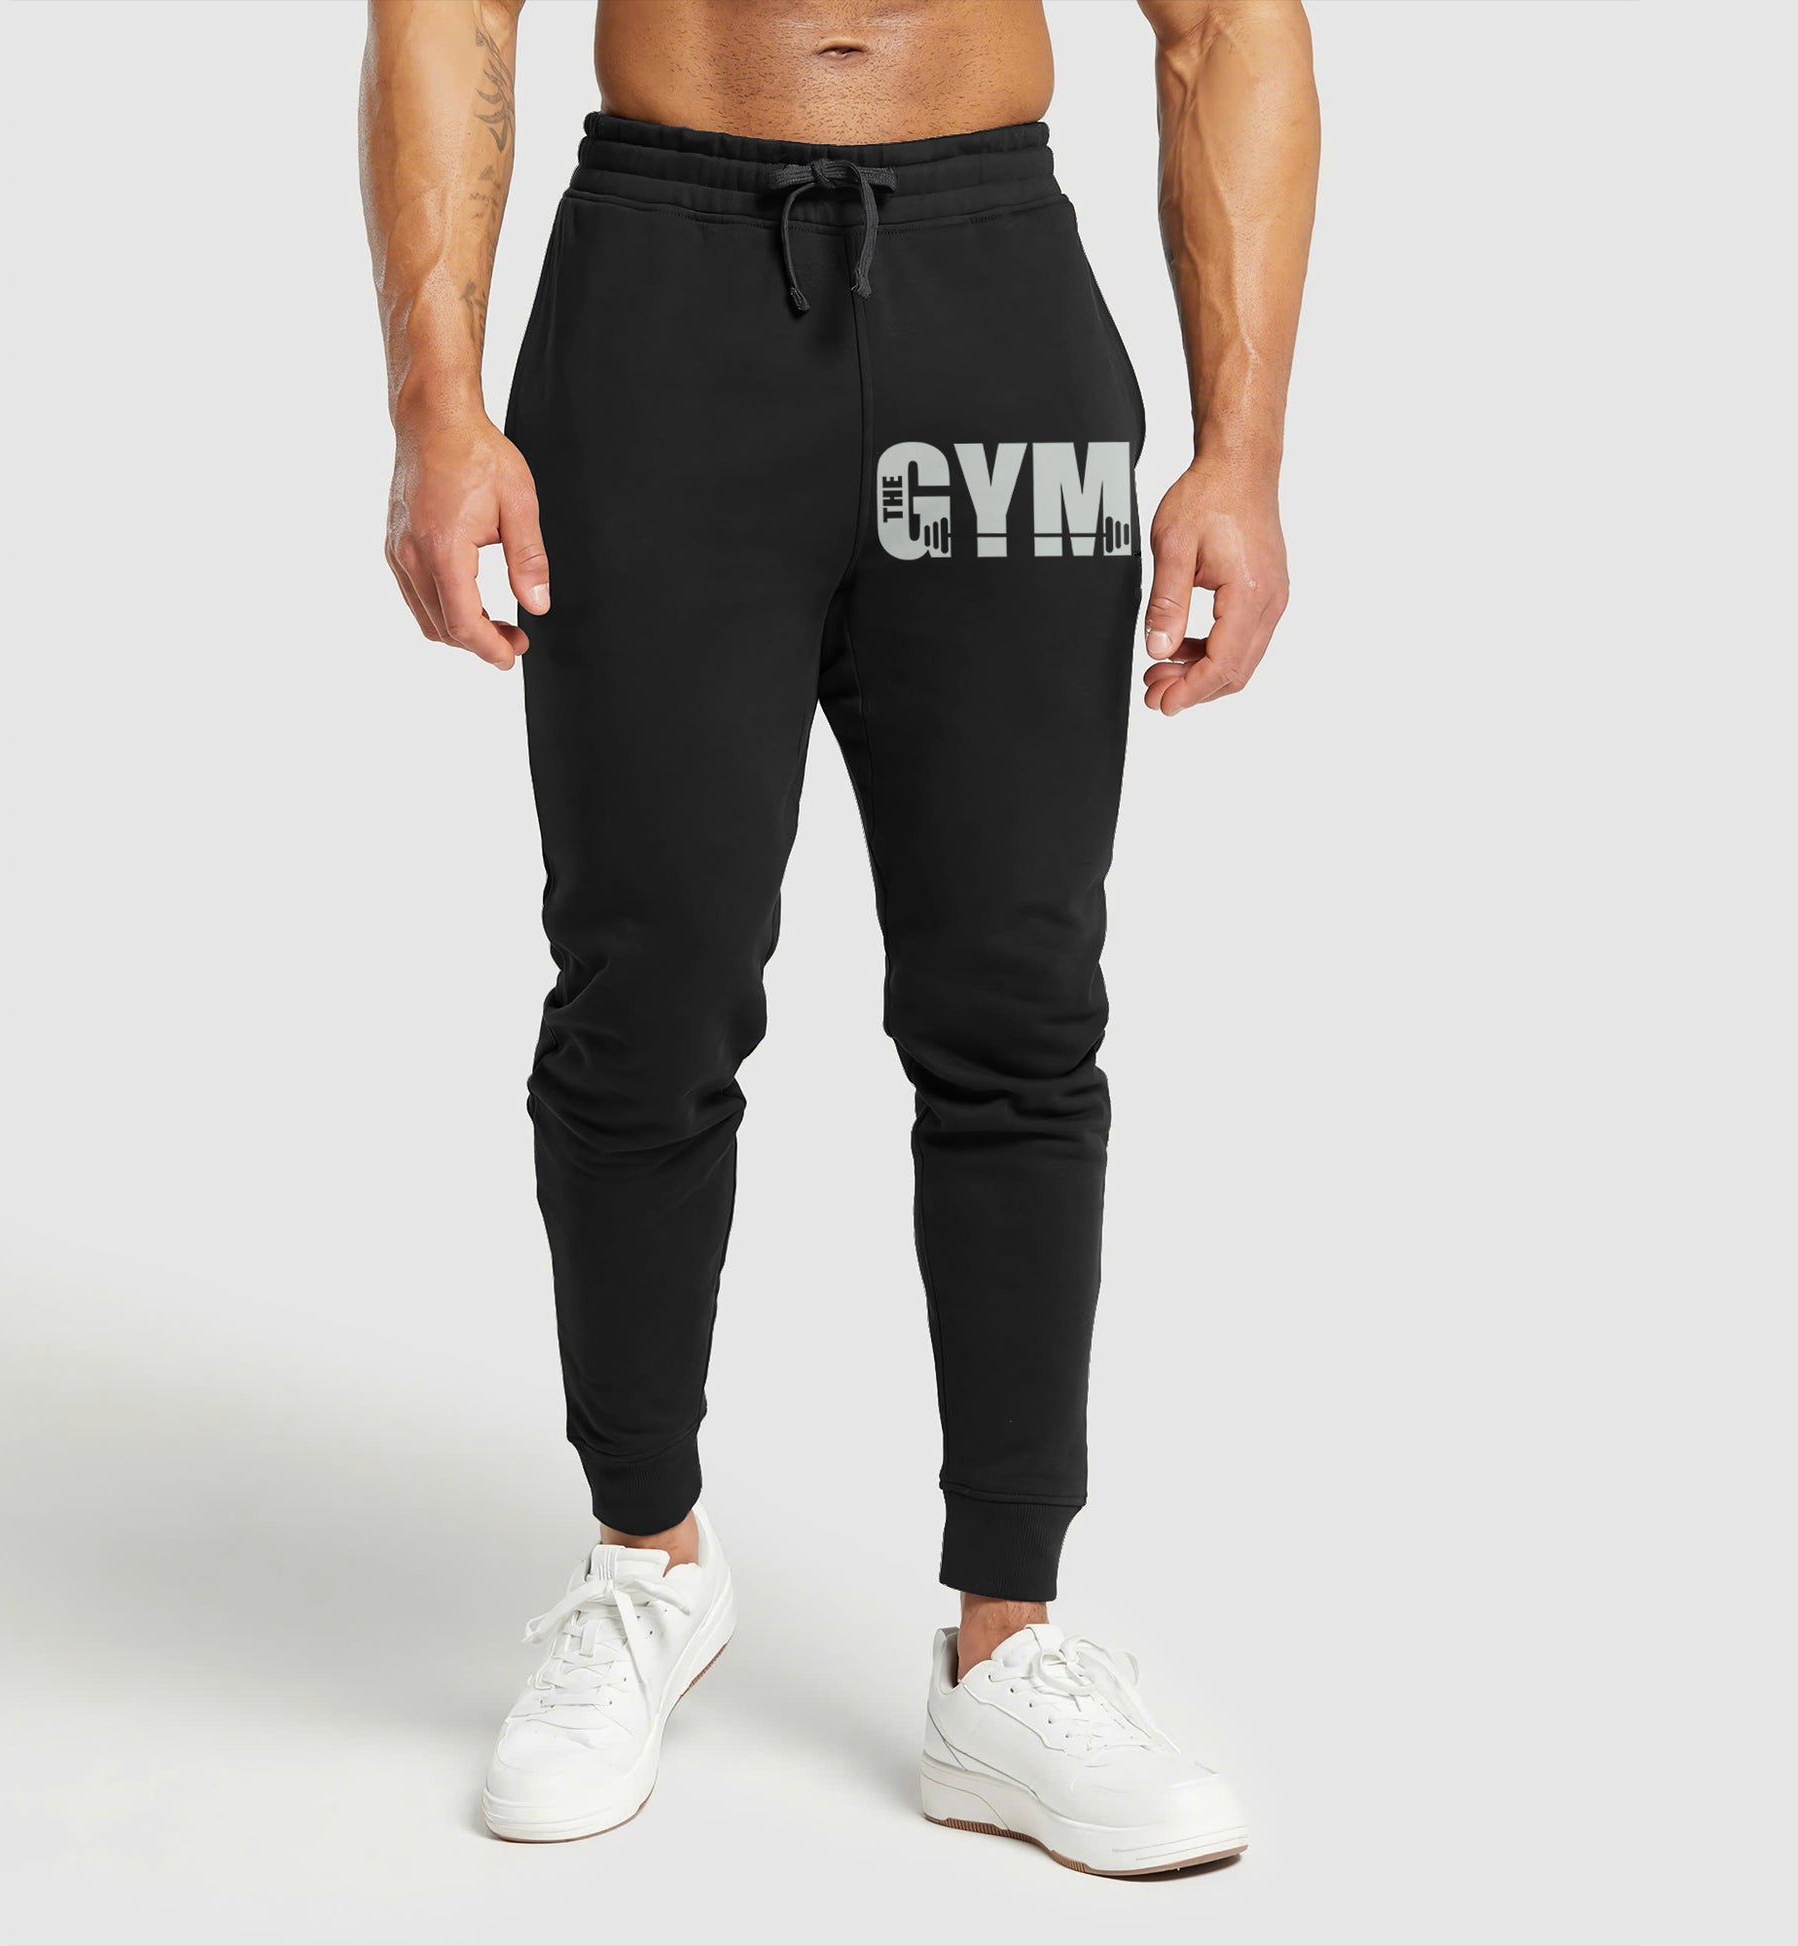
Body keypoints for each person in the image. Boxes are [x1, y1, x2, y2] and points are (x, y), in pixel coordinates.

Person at [360, 0, 1316, 1876]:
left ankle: (1008, 1645)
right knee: (646, 984)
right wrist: (433, 406)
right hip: (658, 310)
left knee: (1017, 996)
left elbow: (1224, 27)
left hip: (996, 319)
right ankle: (645, 1562)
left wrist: (1243, 450)